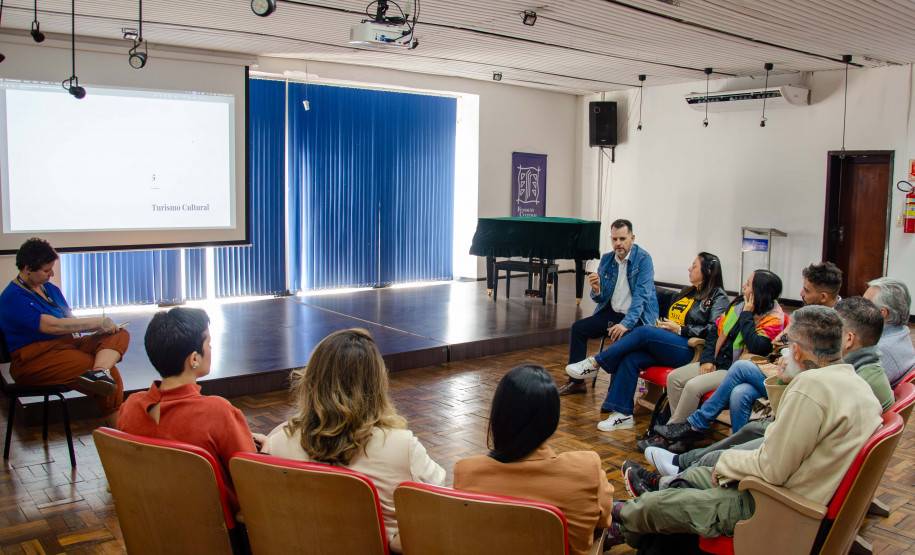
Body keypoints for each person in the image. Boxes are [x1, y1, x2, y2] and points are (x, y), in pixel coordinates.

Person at [603, 306, 883, 548]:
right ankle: (628, 523)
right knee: (697, 476)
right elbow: (780, 434)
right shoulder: (856, 383)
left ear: (796, 350)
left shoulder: (811, 388)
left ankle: (615, 520)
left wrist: (728, 465)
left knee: (657, 505)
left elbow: (773, 468)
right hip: (786, 489)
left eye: (787, 343)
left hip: (773, 503)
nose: (783, 349)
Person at [641, 296, 894, 480]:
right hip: (805, 441)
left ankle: (689, 462)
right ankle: (684, 461)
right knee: (743, 398)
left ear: (847, 339)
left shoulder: (861, 379)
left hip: (804, 463)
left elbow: (791, 437)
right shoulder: (857, 370)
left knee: (741, 374)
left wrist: (785, 383)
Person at [266, 328, 445, 554]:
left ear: (312, 379)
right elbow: (440, 498)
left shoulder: (279, 445)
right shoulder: (401, 446)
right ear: (376, 383)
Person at [453, 365, 614, 555]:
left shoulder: (467, 472)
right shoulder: (586, 469)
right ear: (552, 418)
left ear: (499, 414)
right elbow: (604, 521)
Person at [117, 307, 263, 512]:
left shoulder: (130, 406)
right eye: (209, 344)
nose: (211, 349)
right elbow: (252, 478)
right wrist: (265, 450)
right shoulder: (218, 412)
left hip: (152, 526)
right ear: (194, 358)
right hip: (219, 533)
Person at [566, 253, 728, 431]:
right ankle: (622, 414)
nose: (689, 269)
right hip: (672, 342)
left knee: (643, 331)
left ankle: (595, 363)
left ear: (709, 270)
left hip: (691, 348)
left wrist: (681, 330)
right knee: (631, 358)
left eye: (694, 266)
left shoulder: (718, 297)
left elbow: (715, 329)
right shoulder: (688, 292)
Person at [0, 238, 129, 427]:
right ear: (27, 268)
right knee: (111, 375)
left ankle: (98, 372)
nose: (52, 274)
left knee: (119, 334)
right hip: (34, 359)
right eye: (46, 270)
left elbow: (71, 320)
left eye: (52, 268)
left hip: (67, 346)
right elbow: (53, 326)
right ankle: (120, 434)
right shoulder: (12, 297)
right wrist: (96, 323)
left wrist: (103, 326)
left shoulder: (50, 289)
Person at [652, 270, 785, 449]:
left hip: (735, 369)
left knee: (692, 386)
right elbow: (715, 331)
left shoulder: (774, 318)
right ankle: (680, 434)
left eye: (748, 283)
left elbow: (756, 347)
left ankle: (672, 434)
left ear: (758, 292)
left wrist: (747, 313)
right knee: (674, 378)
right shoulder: (737, 304)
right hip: (716, 361)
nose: (744, 286)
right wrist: (708, 360)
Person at [559, 219, 659, 396]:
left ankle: (614, 394)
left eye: (622, 238)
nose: (618, 244)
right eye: (614, 239)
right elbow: (602, 298)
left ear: (632, 238)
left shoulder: (644, 259)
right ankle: (577, 383)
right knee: (578, 328)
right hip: (612, 313)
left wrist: (626, 324)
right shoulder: (606, 259)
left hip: (637, 318)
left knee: (622, 337)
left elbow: (641, 298)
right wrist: (597, 290)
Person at [864, 277, 915, 386]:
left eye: (865, 303)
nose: (858, 307)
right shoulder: (901, 333)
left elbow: (854, 391)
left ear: (881, 313)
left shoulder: (882, 350)